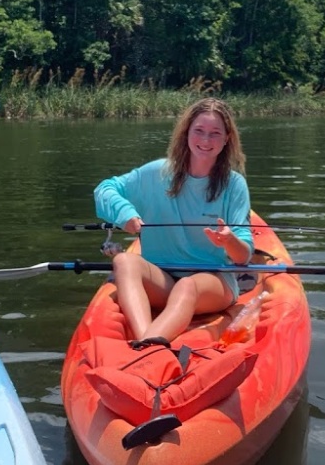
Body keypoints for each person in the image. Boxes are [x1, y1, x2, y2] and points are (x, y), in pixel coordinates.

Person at [94, 98, 254, 342]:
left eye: (215, 133)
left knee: (187, 286)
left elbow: (243, 256)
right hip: (161, 279)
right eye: (199, 131)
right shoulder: (156, 172)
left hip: (212, 284)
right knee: (125, 260)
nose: (205, 140)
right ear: (186, 132)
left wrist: (229, 240)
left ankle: (146, 346)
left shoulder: (234, 185)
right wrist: (124, 214)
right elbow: (104, 190)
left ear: (227, 138)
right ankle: (147, 342)